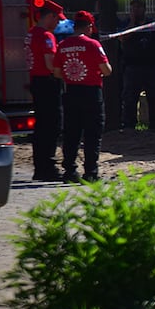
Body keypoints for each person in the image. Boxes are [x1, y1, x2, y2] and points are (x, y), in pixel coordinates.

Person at [53, 11, 112, 182]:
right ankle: (91, 173)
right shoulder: (93, 44)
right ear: (89, 27)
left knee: (71, 133)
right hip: (91, 94)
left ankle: (70, 171)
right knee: (92, 134)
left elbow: (57, 72)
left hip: (71, 92)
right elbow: (107, 70)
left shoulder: (63, 45)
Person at [24, 0, 65, 182]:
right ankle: (49, 167)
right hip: (48, 83)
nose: (58, 23)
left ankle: (39, 167)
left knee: (40, 126)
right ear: (49, 16)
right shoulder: (47, 36)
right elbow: (50, 64)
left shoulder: (31, 33)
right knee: (52, 125)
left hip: (36, 81)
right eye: (57, 19)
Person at [119, 0, 155, 130]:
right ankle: (130, 126)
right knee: (129, 99)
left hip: (152, 67)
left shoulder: (153, 24)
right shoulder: (126, 24)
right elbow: (122, 39)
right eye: (133, 7)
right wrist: (133, 23)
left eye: (139, 7)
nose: (136, 10)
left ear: (144, 9)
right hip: (132, 67)